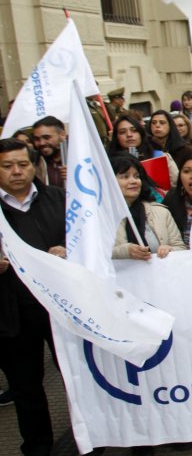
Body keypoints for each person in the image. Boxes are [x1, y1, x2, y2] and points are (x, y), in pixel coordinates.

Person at [0, 139, 65, 456]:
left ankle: (90, 436)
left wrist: (66, 249)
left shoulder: (56, 198)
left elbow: (80, 236)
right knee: (26, 386)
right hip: (11, 312)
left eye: (22, 164)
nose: (16, 172)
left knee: (73, 374)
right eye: (7, 165)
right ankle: (38, 446)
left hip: (59, 306)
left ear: (33, 166)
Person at [110, 155, 187, 259]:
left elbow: (180, 247)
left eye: (137, 176)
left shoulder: (160, 212)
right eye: (125, 176)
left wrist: (169, 250)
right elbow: (95, 253)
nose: (134, 181)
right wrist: (126, 251)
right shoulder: (100, 216)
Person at [108, 115, 178, 192]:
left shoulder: (160, 156)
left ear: (141, 134)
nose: (129, 135)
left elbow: (176, 184)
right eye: (122, 132)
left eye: (134, 130)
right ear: (116, 137)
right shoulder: (109, 163)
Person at [30, 116, 66, 188]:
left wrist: (77, 176)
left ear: (62, 135)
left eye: (46, 137)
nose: (41, 143)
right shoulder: (33, 162)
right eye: (37, 139)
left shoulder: (79, 158)